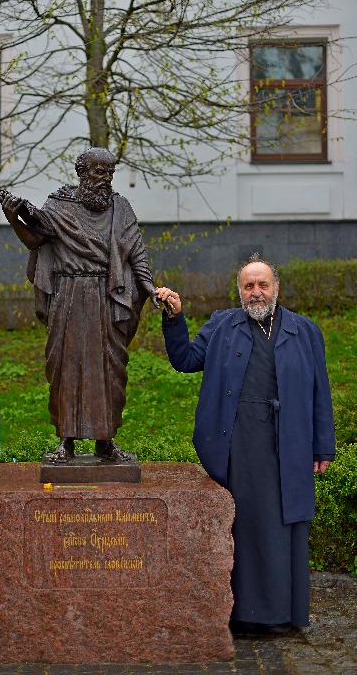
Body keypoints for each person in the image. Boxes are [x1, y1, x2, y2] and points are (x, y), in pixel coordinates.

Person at [156, 253, 335, 634]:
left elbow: (321, 392)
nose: (256, 292)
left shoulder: (304, 331)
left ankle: (285, 615)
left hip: (290, 443)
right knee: (247, 528)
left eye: (262, 285)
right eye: (248, 286)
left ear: (276, 288)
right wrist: (174, 317)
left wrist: (323, 446)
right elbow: (185, 360)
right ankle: (244, 617)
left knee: (286, 526)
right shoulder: (222, 325)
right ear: (240, 291)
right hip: (240, 445)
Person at [0, 147, 158, 461]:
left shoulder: (121, 207)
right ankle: (66, 441)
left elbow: (136, 253)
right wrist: (12, 216)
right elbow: (35, 239)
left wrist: (151, 289)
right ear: (82, 173)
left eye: (110, 172)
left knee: (110, 369)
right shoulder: (58, 205)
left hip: (107, 296)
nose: (105, 178)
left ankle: (105, 442)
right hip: (68, 294)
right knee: (64, 368)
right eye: (99, 171)